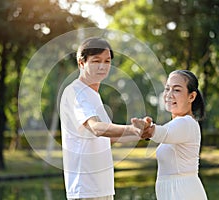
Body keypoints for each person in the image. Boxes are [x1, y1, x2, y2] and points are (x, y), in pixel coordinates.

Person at [60, 37, 151, 200]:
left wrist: (144, 132)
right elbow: (96, 128)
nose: (102, 66)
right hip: (85, 188)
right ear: (82, 63)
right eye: (96, 61)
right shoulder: (76, 92)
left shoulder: (94, 96)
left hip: (102, 187)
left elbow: (110, 138)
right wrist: (131, 129)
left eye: (107, 61)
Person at [132, 69, 208, 200]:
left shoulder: (186, 123)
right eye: (167, 89)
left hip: (184, 193)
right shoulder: (176, 123)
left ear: (191, 96)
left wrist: (148, 129)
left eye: (177, 90)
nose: (169, 94)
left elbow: (162, 133)